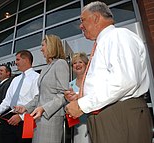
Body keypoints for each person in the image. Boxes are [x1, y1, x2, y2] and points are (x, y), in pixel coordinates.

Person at [65, 1, 153, 143]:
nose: (81, 26)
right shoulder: (104, 42)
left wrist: (82, 105)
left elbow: (125, 80)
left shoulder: (117, 36)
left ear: (96, 18)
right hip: (106, 115)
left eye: (83, 20)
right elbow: (107, 81)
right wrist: (80, 97)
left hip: (118, 116)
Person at [15, 35, 69, 143]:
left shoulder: (61, 64)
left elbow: (63, 94)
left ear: (51, 46)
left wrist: (44, 108)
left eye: (43, 45)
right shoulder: (45, 68)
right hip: (39, 119)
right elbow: (40, 95)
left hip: (51, 119)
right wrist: (25, 108)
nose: (41, 49)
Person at [0, 50, 39, 143]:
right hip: (9, 118)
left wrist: (21, 117)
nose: (15, 62)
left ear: (26, 60)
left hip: (26, 120)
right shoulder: (15, 79)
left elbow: (37, 101)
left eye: (18, 59)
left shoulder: (37, 78)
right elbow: (7, 100)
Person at [65, 53, 90, 143]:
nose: (77, 65)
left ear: (86, 64)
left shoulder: (92, 81)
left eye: (80, 62)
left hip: (92, 122)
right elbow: (66, 107)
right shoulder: (69, 85)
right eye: (75, 63)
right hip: (77, 126)